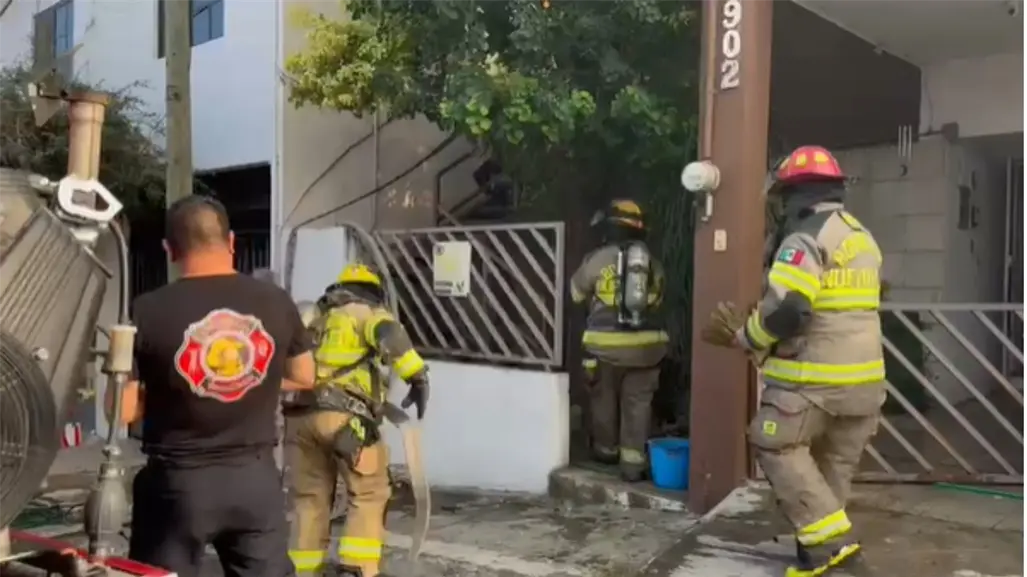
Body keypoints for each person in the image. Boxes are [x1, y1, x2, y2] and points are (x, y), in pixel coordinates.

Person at [105, 195, 316, 577]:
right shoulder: (276, 301)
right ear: (232, 242)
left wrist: (172, 389)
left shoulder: (146, 309)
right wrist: (256, 382)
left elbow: (121, 410)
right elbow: (305, 376)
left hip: (178, 485)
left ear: (170, 250)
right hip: (256, 481)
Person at [701, 145, 886, 577]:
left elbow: (790, 311)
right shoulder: (861, 237)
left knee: (773, 442)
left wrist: (749, 336)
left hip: (812, 383)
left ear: (794, 196)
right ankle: (816, 553)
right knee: (830, 466)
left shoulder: (804, 238)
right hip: (865, 385)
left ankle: (838, 553)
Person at [285, 262, 429, 577]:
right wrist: (417, 377)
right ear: (372, 293)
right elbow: (388, 334)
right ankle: (357, 568)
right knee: (368, 491)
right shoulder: (364, 312)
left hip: (299, 419)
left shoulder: (316, 319)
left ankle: (303, 570)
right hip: (345, 418)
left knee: (310, 498)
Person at [569, 199, 668, 482]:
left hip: (605, 347)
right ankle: (633, 464)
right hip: (648, 349)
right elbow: (659, 302)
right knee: (638, 405)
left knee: (603, 401)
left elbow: (575, 296)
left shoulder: (597, 260)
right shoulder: (653, 264)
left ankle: (606, 452)